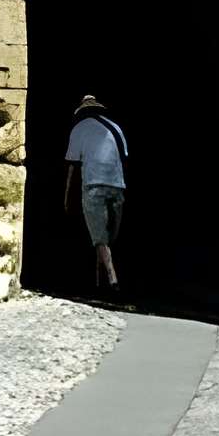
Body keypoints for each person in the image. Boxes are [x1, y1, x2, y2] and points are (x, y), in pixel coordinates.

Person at [63, 92, 129, 299]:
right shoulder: (116, 128)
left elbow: (72, 166)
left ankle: (111, 279)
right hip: (117, 185)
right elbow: (124, 157)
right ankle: (103, 281)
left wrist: (67, 195)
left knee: (99, 238)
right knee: (109, 236)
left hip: (93, 186)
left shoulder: (78, 129)